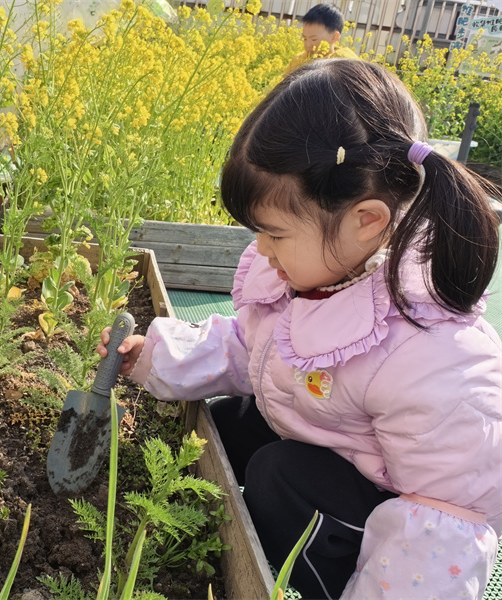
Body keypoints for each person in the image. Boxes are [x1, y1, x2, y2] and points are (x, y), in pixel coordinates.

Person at [98, 59, 501, 599]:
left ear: (367, 221)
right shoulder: (318, 268)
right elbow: (254, 349)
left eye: (275, 233)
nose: (261, 249)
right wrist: (156, 355)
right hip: (340, 446)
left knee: (278, 476)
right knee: (231, 424)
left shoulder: (432, 354)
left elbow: (444, 524)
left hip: (400, 522)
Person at [284, 4, 359, 75]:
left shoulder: (347, 62)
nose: (307, 45)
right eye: (305, 38)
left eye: (314, 39)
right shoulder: (298, 60)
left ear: (334, 37)